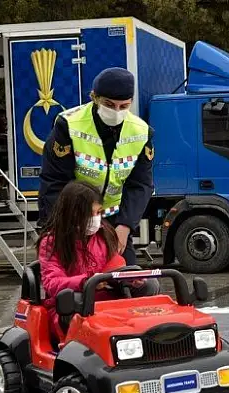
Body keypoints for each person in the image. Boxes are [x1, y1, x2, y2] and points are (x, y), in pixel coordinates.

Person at [39, 67, 154, 266]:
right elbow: (54, 182)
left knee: (128, 278)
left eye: (124, 106)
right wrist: (66, 225)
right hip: (69, 216)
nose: (116, 112)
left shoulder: (141, 132)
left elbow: (140, 185)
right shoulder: (68, 125)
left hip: (112, 218)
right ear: (95, 97)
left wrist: (125, 226)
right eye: (109, 104)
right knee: (72, 278)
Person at [38, 181, 157, 341]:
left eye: (99, 213)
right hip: (71, 305)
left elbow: (116, 265)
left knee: (150, 284)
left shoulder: (104, 234)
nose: (96, 219)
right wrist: (85, 282)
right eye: (91, 214)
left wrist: (130, 279)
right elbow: (52, 283)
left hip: (107, 302)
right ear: (73, 213)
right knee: (74, 301)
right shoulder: (52, 242)